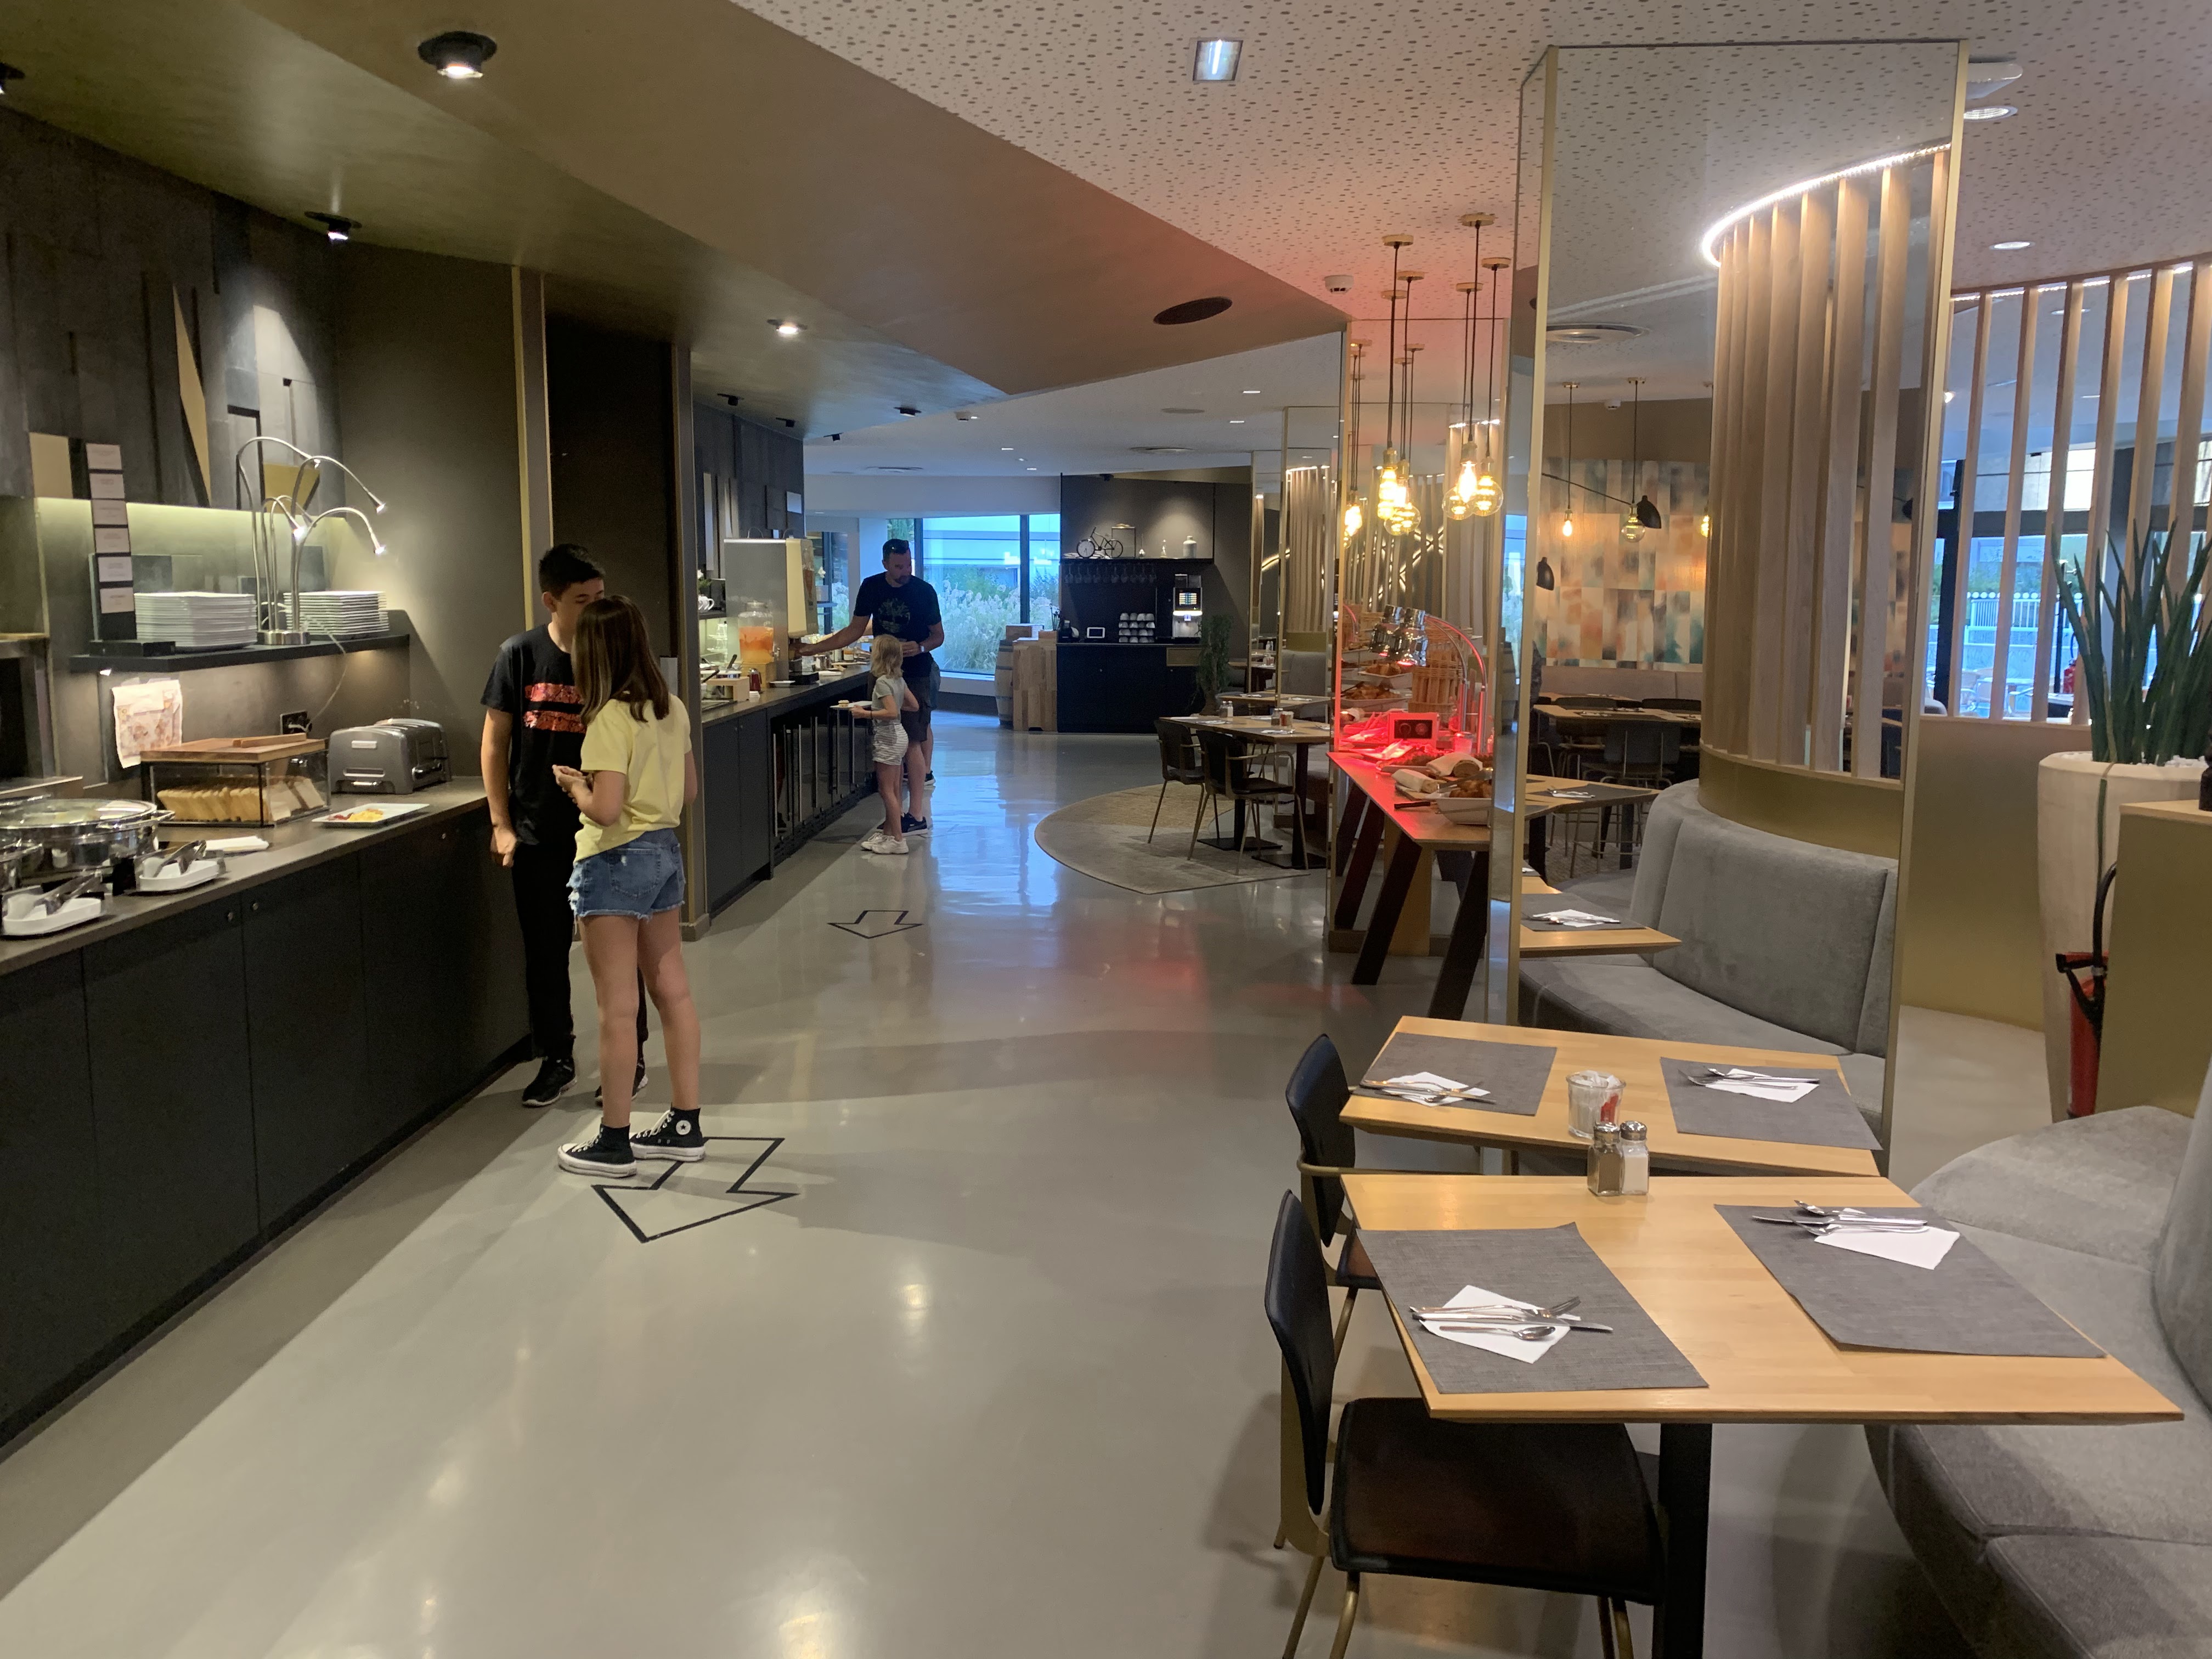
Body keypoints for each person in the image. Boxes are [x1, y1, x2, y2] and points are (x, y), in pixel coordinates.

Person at [481, 545, 649, 1109]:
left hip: (607, 830)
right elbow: (495, 742)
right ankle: (557, 1057)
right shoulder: (519, 655)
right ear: (551, 601)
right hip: (538, 829)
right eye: (582, 600)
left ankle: (631, 1056)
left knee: (619, 954)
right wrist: (501, 823)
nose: (595, 608)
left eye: (601, 596)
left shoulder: (616, 656)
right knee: (545, 953)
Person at [549, 595, 703, 1178]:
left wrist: (576, 788)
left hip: (613, 862)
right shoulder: (672, 708)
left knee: (617, 1007)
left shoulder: (608, 719)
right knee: (673, 993)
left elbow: (607, 809)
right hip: (665, 853)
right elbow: (689, 791)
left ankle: (613, 1140)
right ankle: (685, 1124)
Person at [799, 538, 941, 836]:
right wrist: (812, 649)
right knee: (888, 743)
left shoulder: (924, 591)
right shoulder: (872, 587)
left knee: (913, 741)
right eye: (899, 566)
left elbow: (938, 636)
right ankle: (895, 816)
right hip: (882, 673)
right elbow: (854, 630)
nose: (905, 571)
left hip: (916, 672)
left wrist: (921, 647)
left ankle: (916, 814)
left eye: (909, 564)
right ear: (885, 564)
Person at [851, 634, 918, 855]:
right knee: (895, 789)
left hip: (888, 738)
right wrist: (889, 707)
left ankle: (898, 839)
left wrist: (866, 713)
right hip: (899, 736)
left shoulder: (881, 682)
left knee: (886, 790)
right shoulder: (898, 680)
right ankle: (889, 833)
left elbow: (891, 712)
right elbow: (914, 706)